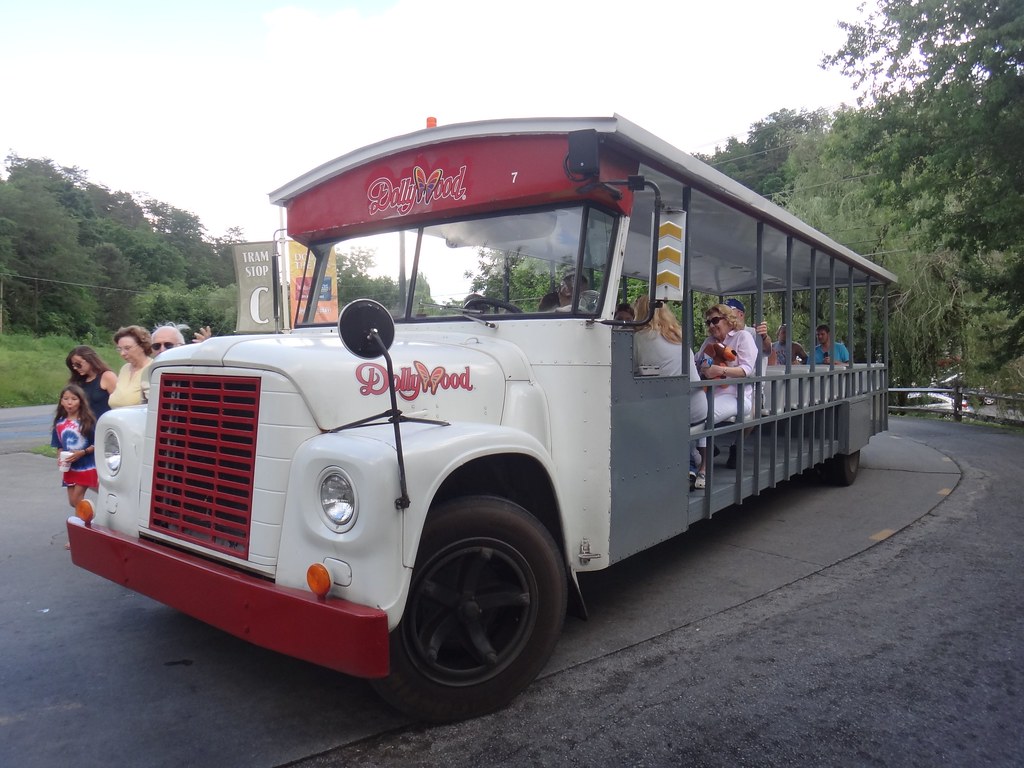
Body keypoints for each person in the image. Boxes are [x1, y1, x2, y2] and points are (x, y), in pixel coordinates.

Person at [632, 296, 707, 487]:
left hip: (673, 408)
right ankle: (693, 465)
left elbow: (631, 370)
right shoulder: (678, 334)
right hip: (698, 404)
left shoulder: (639, 338)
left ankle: (675, 467)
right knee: (675, 412)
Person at [693, 303, 758, 489]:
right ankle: (696, 457)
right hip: (710, 393)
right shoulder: (709, 342)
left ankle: (703, 469)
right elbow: (699, 364)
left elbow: (746, 370)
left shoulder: (742, 337)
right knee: (690, 413)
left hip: (738, 396)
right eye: (708, 322)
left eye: (715, 320)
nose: (712, 326)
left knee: (705, 415)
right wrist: (705, 369)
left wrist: (719, 370)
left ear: (728, 320)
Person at [51, 384, 99, 515]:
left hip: (86, 466)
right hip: (69, 467)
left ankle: (87, 523)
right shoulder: (59, 423)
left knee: (77, 499)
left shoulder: (87, 421)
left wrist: (82, 452)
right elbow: (58, 444)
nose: (69, 402)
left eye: (74, 399)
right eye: (66, 399)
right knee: (72, 502)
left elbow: (98, 443)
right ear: (61, 401)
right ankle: (92, 515)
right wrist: (60, 457)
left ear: (81, 401)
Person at [65, 345, 117, 418]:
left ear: (89, 360)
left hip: (104, 423)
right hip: (84, 425)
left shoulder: (107, 376)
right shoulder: (77, 381)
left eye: (78, 364)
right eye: (73, 366)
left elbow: (118, 404)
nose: (75, 368)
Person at [108, 326, 154, 408]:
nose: (122, 353)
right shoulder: (125, 368)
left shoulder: (152, 369)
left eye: (127, 348)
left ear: (142, 346)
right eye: (119, 349)